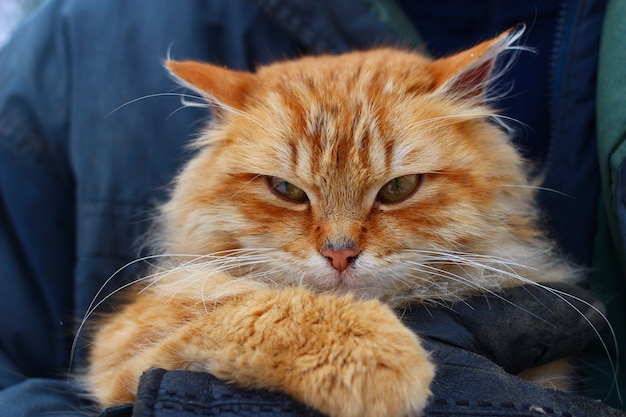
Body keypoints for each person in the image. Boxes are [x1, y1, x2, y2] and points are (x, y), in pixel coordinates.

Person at [0, 0, 624, 416]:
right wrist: (289, 337)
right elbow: (115, 357)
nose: (341, 244)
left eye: (397, 189)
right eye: (289, 192)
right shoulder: (76, 38)